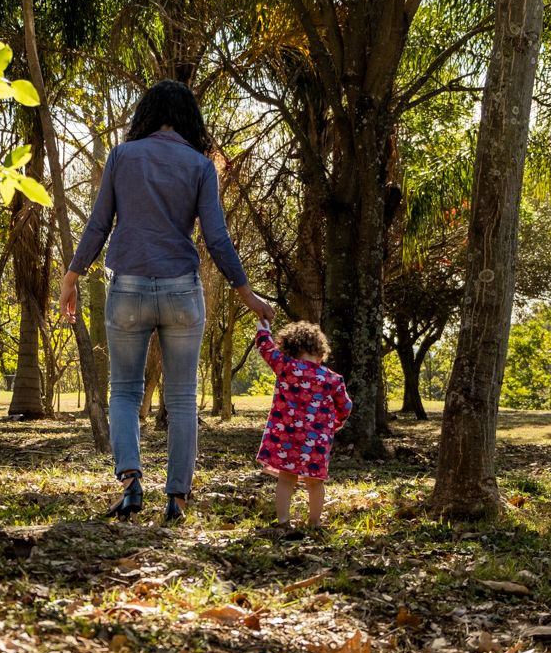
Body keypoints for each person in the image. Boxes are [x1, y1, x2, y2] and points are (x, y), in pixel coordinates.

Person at [59, 80, 274, 524]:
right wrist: (246, 292)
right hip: (181, 289)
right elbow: (216, 237)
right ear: (188, 118)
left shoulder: (122, 156)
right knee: (181, 397)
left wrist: (72, 276)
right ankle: (176, 499)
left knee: (124, 392)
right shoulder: (200, 165)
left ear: (148, 114)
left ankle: (132, 482)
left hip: (128, 289)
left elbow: (99, 225)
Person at [254, 319, 352, 528]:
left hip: (287, 437)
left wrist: (263, 330)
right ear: (320, 350)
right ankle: (315, 522)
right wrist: (336, 423)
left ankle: (283, 521)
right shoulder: (332, 379)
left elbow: (266, 349)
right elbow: (345, 405)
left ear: (290, 348)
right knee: (315, 482)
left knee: (286, 479)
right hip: (316, 442)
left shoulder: (286, 366)